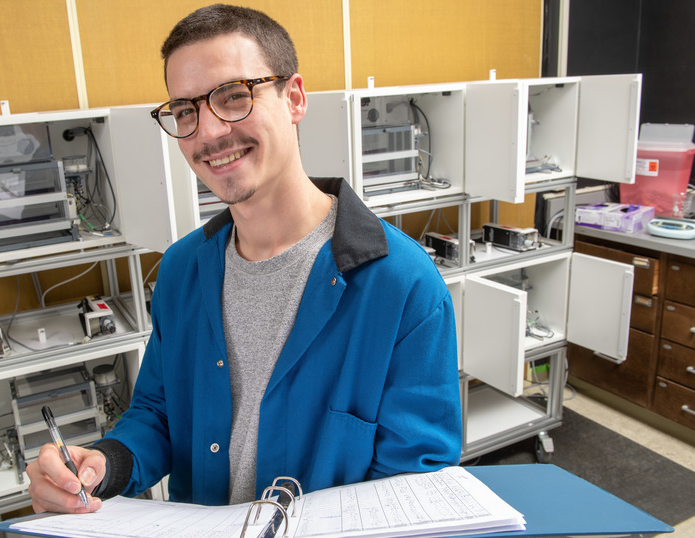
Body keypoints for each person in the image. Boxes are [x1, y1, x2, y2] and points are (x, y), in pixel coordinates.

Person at [26, 3, 461, 513]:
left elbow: (411, 483)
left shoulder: (401, 283)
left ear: (294, 97)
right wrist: (103, 464)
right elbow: (160, 412)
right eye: (186, 111)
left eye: (234, 97)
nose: (208, 133)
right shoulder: (183, 269)